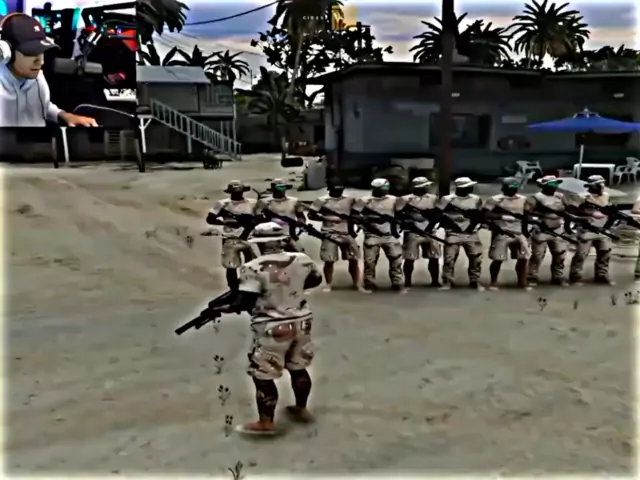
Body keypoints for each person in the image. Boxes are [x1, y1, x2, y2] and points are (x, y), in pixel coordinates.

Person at [228, 222, 323, 436]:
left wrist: (225, 308)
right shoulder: (302, 259)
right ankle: (301, 409)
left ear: (259, 244)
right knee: (298, 367)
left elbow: (243, 301)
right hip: (302, 321)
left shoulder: (253, 267)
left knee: (263, 375)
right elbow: (315, 280)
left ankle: (266, 423)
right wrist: (291, 289)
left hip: (273, 326)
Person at [0, 13, 97, 127]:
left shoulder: (38, 77)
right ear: (7, 53)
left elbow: (43, 106)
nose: (40, 61)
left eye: (41, 51)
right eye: (31, 52)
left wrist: (64, 115)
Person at [307, 183, 368, 293]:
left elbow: (354, 214)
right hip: (329, 232)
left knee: (353, 259)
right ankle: (328, 284)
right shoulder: (322, 200)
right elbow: (311, 215)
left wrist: (355, 226)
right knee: (329, 260)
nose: (338, 192)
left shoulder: (350, 200)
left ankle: (357, 284)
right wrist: (326, 218)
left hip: (346, 232)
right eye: (336, 190)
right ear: (330, 189)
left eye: (340, 190)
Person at [352, 178, 406, 293]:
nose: (385, 190)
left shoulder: (394, 200)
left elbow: (400, 215)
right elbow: (354, 216)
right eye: (383, 188)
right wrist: (366, 221)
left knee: (396, 261)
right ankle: (369, 283)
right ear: (375, 188)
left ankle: (397, 282)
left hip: (390, 234)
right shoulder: (364, 201)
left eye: (386, 188)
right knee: (370, 262)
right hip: (372, 235)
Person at [206, 180, 258, 290]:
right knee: (231, 266)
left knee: (252, 264)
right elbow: (210, 219)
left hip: (250, 237)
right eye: (235, 191)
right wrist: (226, 222)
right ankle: (233, 288)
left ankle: (249, 285)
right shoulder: (222, 204)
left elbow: (258, 219)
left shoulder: (253, 203)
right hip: (230, 237)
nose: (238, 193)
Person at [482, 177, 531, 290]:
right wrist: (502, 217)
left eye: (515, 187)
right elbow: (485, 214)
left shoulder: (524, 200)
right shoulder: (495, 200)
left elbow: (527, 214)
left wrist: (527, 230)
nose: (513, 190)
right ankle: (494, 281)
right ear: (503, 188)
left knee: (523, 258)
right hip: (502, 232)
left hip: (519, 232)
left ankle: (522, 281)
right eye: (510, 187)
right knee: (498, 259)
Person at [436, 177, 484, 291]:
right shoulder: (447, 199)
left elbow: (479, 214)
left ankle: (475, 280)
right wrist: (448, 223)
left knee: (476, 258)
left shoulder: (476, 199)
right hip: (453, 232)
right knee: (449, 258)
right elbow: (438, 214)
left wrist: (476, 225)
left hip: (471, 231)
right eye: (468, 186)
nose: (471, 188)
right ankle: (447, 281)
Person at [568, 175, 614, 285]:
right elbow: (572, 210)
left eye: (603, 184)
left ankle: (601, 274)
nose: (602, 186)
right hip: (586, 229)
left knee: (605, 252)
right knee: (581, 253)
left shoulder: (606, 196)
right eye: (600, 184)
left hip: (602, 228)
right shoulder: (582, 196)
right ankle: (575, 275)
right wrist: (590, 213)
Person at [524, 175, 569, 286]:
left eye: (556, 184)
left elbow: (567, 211)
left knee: (560, 254)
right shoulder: (535, 198)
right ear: (544, 185)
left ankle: (558, 276)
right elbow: (527, 214)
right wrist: (535, 221)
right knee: (538, 255)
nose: (555, 186)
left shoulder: (560, 197)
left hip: (558, 229)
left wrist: (567, 226)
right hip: (541, 230)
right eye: (552, 184)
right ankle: (531, 276)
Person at [397, 177, 441, 288]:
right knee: (410, 258)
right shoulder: (405, 199)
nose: (427, 187)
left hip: (430, 231)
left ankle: (435, 281)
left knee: (434, 257)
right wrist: (409, 219)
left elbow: (438, 214)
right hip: (412, 232)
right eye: (425, 186)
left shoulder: (433, 198)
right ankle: (407, 281)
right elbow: (399, 214)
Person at [256, 179, 307, 252]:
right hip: (271, 234)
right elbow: (258, 219)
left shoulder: (294, 201)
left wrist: (301, 224)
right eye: (279, 187)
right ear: (273, 188)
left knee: (300, 252)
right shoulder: (264, 202)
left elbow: (301, 216)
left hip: (291, 232)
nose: (282, 190)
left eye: (284, 187)